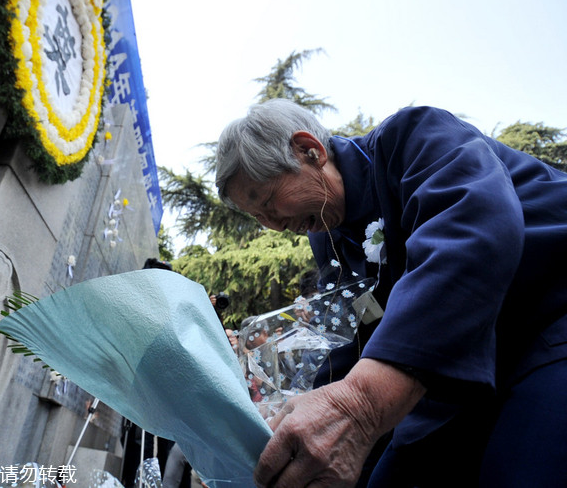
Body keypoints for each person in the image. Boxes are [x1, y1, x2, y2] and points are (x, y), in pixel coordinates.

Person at [215, 99, 567, 487]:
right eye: (261, 218)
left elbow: (474, 231)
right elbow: (355, 334)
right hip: (448, 377)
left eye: (269, 202)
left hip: (549, 327)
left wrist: (360, 402)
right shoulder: (327, 236)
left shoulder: (414, 137)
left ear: (308, 150)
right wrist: (310, 415)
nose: (277, 227)